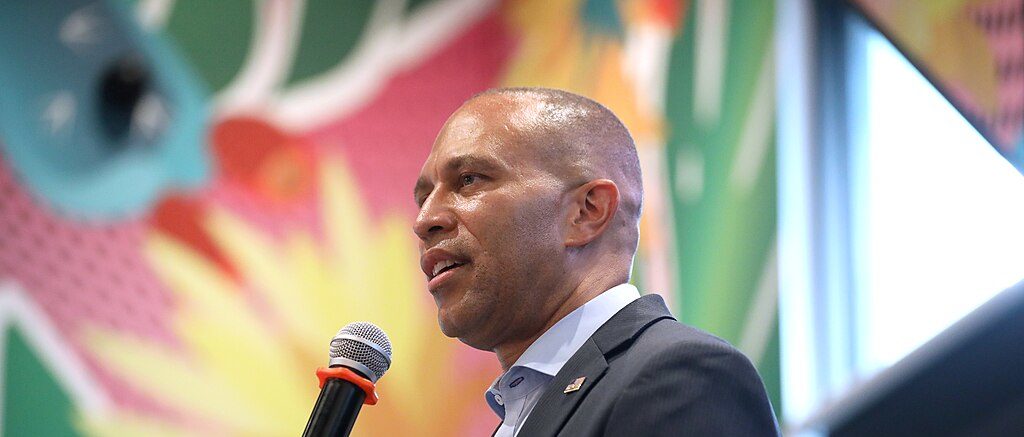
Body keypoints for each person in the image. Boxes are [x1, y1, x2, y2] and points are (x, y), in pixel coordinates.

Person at [412, 87, 780, 436]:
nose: (424, 220)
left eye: (468, 180)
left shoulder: (682, 378)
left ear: (587, 212)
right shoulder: (523, 411)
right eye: (423, 198)